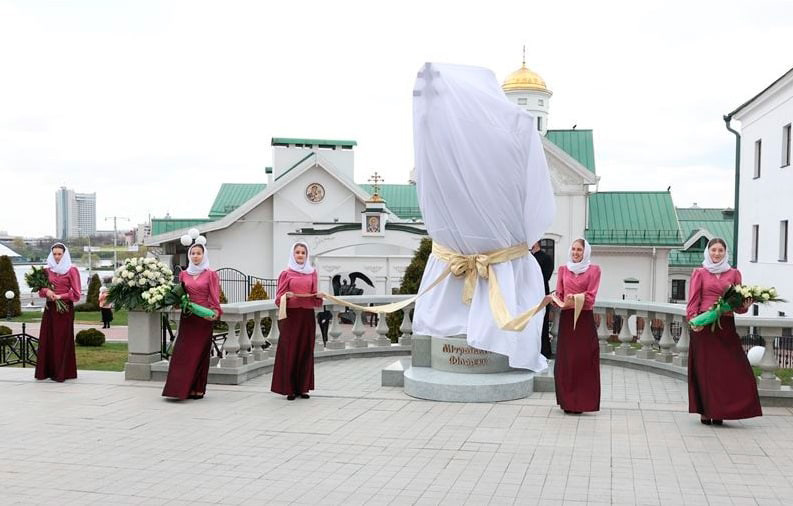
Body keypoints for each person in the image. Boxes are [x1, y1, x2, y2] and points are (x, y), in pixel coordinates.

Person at [687, 238, 761, 425]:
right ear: (708, 252)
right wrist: (693, 321)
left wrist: (745, 305)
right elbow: (693, 301)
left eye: (720, 250)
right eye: (713, 250)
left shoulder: (734, 273)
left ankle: (721, 410)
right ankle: (706, 411)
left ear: (725, 252)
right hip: (704, 326)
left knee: (728, 370)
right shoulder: (700, 273)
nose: (717, 253)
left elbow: (738, 307)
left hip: (726, 326)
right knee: (705, 370)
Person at [162, 243, 222, 400]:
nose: (195, 256)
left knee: (200, 354)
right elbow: (181, 294)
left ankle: (197, 389)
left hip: (203, 318)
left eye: (198, 253)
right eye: (193, 253)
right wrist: (174, 302)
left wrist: (216, 312)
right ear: (189, 256)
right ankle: (178, 389)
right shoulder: (184, 274)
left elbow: (215, 296)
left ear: (204, 255)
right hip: (188, 317)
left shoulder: (211, 274)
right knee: (183, 354)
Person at [553, 238, 601, 414]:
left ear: (585, 252)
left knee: (583, 359)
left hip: (583, 320)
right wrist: (555, 300)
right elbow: (559, 294)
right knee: (567, 361)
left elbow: (590, 298)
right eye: (573, 249)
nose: (575, 253)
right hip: (567, 320)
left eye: (579, 250)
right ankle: (567, 402)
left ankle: (582, 402)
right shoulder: (563, 270)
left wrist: (574, 298)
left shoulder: (594, 270)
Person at [271, 242, 323, 400]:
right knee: (290, 350)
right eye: (297, 252)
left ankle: (303, 387)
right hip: (291, 317)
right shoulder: (285, 274)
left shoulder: (312, 273)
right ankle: (289, 389)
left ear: (307, 256)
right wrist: (286, 296)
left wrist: (318, 296)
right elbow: (278, 299)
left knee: (306, 350)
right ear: (293, 255)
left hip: (307, 316)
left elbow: (315, 298)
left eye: (303, 253)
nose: (300, 255)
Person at [35, 243, 81, 382]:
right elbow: (40, 290)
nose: (56, 257)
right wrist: (47, 291)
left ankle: (62, 372)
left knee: (61, 340)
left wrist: (61, 296)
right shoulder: (47, 270)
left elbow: (77, 293)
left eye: (59, 254)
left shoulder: (71, 270)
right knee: (47, 338)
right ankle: (46, 372)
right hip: (50, 309)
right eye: (54, 254)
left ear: (64, 254)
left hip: (64, 309)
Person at [532, 241, 554, 358]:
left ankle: (544, 352)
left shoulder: (546, 258)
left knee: (543, 324)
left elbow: (546, 276)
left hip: (541, 295)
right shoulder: (528, 257)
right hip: (529, 295)